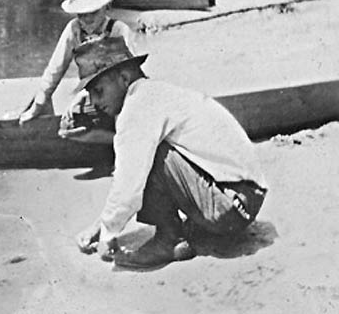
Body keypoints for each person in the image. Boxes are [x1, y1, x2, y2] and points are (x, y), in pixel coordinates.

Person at [66, 37, 268, 269]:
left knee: (148, 154)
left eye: (99, 91)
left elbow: (129, 183)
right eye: (90, 94)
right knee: (144, 152)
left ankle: (169, 240)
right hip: (244, 200)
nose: (94, 102)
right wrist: (101, 224)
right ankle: (182, 230)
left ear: (124, 79)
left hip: (229, 208)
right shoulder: (154, 94)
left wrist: (107, 233)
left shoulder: (138, 107)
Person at [19, 0, 134, 126]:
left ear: (106, 6)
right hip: (91, 96)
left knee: (123, 123)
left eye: (93, 12)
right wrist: (37, 105)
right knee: (68, 125)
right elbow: (55, 69)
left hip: (120, 97)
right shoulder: (74, 30)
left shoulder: (119, 30)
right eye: (82, 14)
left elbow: (137, 72)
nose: (87, 19)